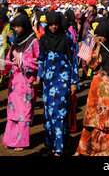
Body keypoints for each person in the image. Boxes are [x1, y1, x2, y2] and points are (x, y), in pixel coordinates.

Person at [75, 19, 109, 156]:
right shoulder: (99, 49)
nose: (99, 38)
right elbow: (91, 64)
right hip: (95, 91)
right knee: (92, 121)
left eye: (101, 36)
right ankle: (87, 148)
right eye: (97, 36)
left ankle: (107, 150)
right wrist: (97, 47)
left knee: (108, 122)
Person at [33, 11, 79, 156]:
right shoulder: (44, 38)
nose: (53, 27)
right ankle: (52, 143)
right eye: (51, 24)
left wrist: (73, 82)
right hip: (48, 82)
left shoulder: (66, 38)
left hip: (63, 81)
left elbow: (73, 61)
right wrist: (39, 78)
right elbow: (41, 59)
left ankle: (60, 146)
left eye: (56, 24)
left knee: (61, 113)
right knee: (48, 113)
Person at [2, 13, 39, 151]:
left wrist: (23, 62)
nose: (16, 29)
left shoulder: (33, 42)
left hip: (26, 80)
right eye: (14, 27)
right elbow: (9, 56)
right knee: (12, 110)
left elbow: (38, 60)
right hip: (14, 82)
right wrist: (6, 64)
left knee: (24, 111)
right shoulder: (16, 41)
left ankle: (20, 141)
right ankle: (10, 138)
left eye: (18, 26)